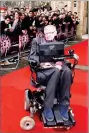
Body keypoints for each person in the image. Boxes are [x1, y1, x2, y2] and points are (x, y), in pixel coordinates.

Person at [28, 25, 72, 122]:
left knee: (67, 71)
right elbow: (32, 57)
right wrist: (42, 64)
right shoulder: (37, 41)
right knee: (56, 71)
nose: (48, 35)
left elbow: (61, 58)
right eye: (46, 33)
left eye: (50, 33)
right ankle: (48, 106)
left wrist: (60, 62)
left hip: (55, 67)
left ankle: (64, 104)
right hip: (41, 70)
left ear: (55, 33)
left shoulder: (58, 43)